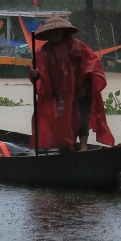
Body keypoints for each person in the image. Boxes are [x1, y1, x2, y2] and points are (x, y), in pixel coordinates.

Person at [28, 16, 114, 152]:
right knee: (60, 118)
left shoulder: (76, 46)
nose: (55, 34)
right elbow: (40, 70)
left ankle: (83, 145)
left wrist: (84, 87)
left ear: (64, 31)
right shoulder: (43, 52)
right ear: (47, 34)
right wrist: (35, 74)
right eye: (52, 31)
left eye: (58, 31)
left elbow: (91, 63)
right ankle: (65, 146)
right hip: (58, 92)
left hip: (78, 89)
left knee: (82, 114)